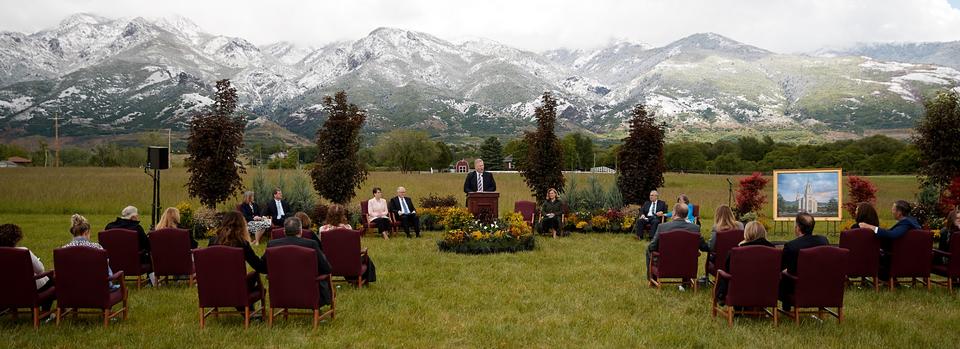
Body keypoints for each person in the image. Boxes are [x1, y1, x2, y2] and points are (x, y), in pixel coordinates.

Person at [267, 217, 333, 306]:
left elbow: (264, 267)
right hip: (308, 291)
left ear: (284, 231)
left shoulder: (272, 245)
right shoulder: (311, 244)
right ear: (300, 231)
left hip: (281, 292)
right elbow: (327, 268)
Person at [715, 221, 774, 305]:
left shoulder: (736, 252)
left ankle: (722, 297)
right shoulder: (773, 251)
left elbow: (728, 269)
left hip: (740, 290)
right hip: (765, 290)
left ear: (746, 233)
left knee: (725, 275)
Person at [646, 203, 709, 281]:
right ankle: (686, 282)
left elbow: (652, 247)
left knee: (649, 249)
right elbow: (704, 247)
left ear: (674, 213)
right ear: (686, 215)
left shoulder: (662, 227)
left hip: (666, 264)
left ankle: (652, 279)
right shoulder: (695, 228)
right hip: (687, 265)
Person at [781, 212, 829, 311]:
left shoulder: (791, 246)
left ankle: (786, 308)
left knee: (783, 275)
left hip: (797, 287)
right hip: (822, 286)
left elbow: (781, 266)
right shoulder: (823, 241)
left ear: (797, 228)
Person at [0, 224, 54, 311]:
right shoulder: (23, 251)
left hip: (6, 291)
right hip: (27, 290)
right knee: (52, 279)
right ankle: (45, 314)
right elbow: (40, 270)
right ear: (16, 239)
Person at [321, 204, 377, 283]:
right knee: (366, 257)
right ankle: (360, 279)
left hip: (329, 263)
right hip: (349, 263)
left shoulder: (323, 230)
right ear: (342, 215)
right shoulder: (348, 228)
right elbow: (354, 248)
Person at [64, 214, 119, 290]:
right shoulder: (97, 248)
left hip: (71, 289)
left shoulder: (63, 250)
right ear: (86, 232)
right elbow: (106, 271)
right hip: (96, 289)